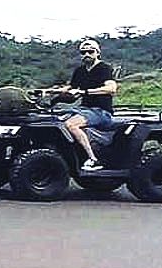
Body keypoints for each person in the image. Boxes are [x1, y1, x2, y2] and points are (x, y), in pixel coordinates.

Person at [50, 39, 119, 171]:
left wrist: (85, 92)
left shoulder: (104, 68)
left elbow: (111, 88)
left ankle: (93, 159)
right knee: (56, 120)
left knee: (71, 124)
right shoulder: (80, 71)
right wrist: (48, 91)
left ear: (97, 53)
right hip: (84, 109)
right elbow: (70, 88)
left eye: (90, 51)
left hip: (101, 111)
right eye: (83, 52)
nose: (87, 54)